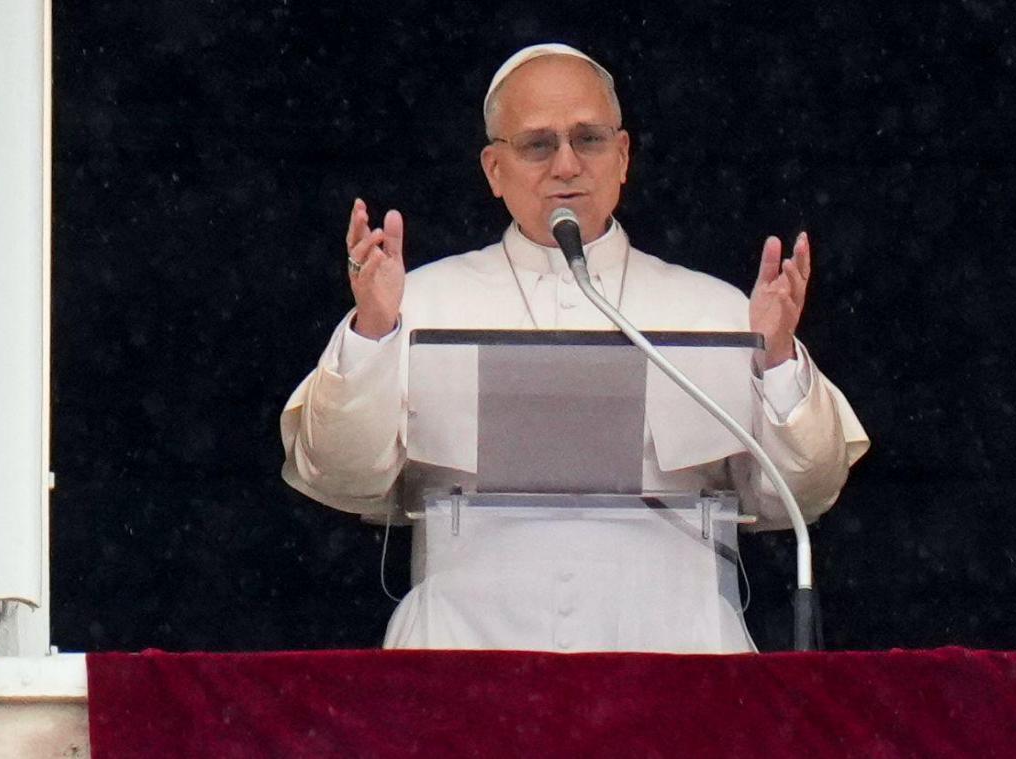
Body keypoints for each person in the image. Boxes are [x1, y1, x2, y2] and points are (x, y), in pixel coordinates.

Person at [280, 43, 869, 653]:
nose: (566, 164)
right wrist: (374, 335)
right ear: (493, 170)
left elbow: (803, 495)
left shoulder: (716, 311)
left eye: (588, 139)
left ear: (622, 157)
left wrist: (775, 361)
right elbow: (343, 476)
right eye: (538, 144)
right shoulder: (414, 306)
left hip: (678, 656)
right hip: (464, 653)